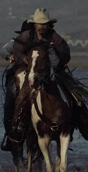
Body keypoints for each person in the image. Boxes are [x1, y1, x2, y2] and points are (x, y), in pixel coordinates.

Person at [7, 8, 71, 142]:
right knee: (23, 96)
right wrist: (26, 60)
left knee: (74, 96)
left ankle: (81, 124)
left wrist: (58, 63)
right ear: (34, 24)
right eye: (40, 23)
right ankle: (17, 127)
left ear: (49, 25)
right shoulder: (26, 36)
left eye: (45, 24)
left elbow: (65, 52)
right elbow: (17, 51)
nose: (42, 26)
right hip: (32, 71)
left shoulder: (54, 37)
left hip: (53, 72)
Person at [0, 19, 30, 151]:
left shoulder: (42, 42)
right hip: (16, 78)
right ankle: (10, 137)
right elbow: (2, 50)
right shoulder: (16, 42)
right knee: (8, 108)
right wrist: (9, 56)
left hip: (39, 76)